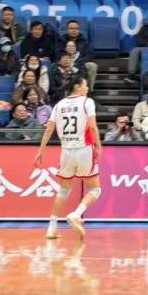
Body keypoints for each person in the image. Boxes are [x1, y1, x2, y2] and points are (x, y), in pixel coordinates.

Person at [34, 75, 103, 240]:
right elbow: (92, 127)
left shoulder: (59, 105)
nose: (87, 88)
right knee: (95, 189)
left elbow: (49, 129)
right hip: (84, 149)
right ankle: (76, 214)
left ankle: (51, 228)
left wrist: (40, 151)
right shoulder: (87, 102)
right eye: (85, 85)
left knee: (63, 190)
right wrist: (98, 146)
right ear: (77, 86)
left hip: (65, 151)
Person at [57, 20, 96, 89]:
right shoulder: (61, 40)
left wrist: (78, 62)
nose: (74, 30)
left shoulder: (84, 40)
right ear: (67, 30)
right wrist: (68, 61)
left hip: (81, 63)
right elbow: (58, 54)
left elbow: (89, 55)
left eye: (76, 28)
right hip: (65, 63)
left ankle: (88, 89)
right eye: (71, 28)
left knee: (92, 65)